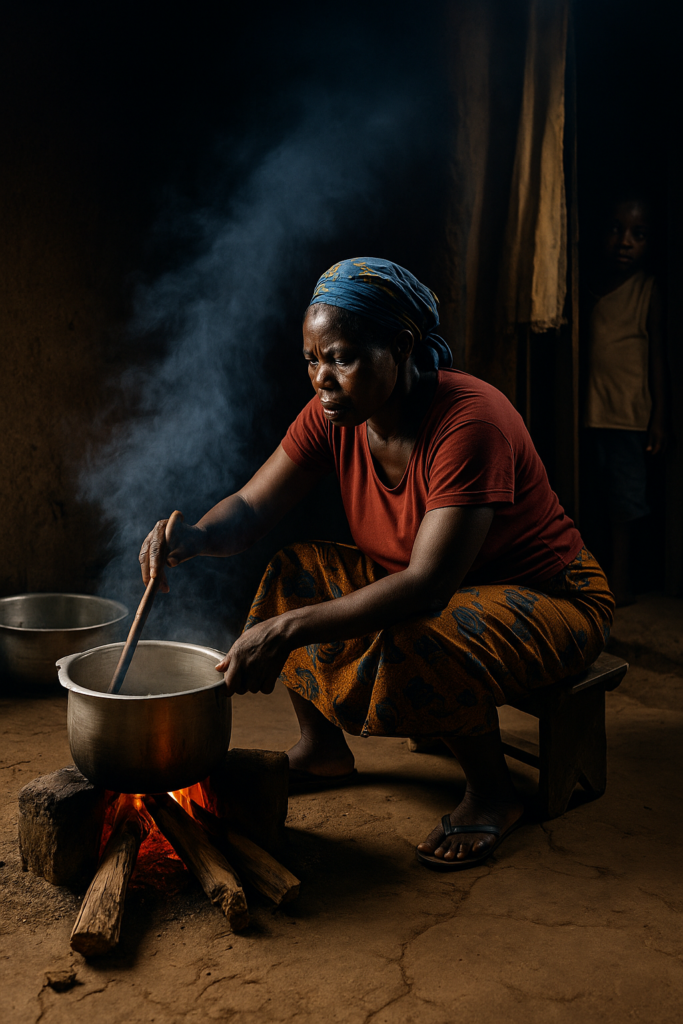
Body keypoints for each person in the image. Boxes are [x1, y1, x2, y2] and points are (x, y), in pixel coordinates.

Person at [140, 257, 614, 871]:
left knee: (426, 628)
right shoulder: (334, 416)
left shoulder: (471, 424)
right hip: (445, 589)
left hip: (552, 596)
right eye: (312, 360)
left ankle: (493, 794)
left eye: (340, 357)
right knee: (294, 572)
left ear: (402, 346)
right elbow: (254, 508)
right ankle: (322, 749)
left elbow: (428, 585)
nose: (321, 379)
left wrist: (286, 631)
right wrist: (193, 536)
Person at [583, 194, 667, 605]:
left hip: (628, 415)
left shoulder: (646, 290)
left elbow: (657, 358)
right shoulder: (589, 287)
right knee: (595, 495)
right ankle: (598, 576)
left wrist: (659, 417)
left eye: (639, 234)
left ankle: (621, 580)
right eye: (616, 229)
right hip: (589, 412)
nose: (625, 241)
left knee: (625, 501)